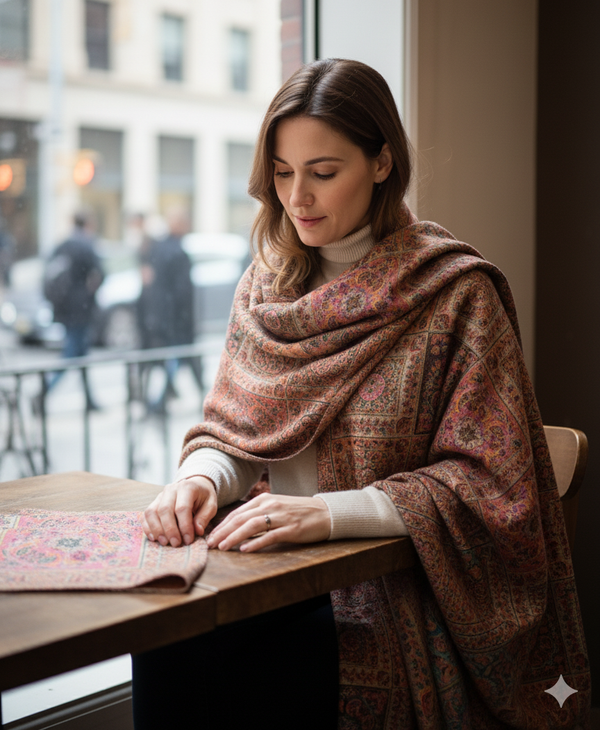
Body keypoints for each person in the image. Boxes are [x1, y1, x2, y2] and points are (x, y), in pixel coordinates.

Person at [134, 60, 590, 729]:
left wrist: (326, 513)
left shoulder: (457, 293)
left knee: (255, 672)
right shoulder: (266, 289)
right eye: (283, 174)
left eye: (323, 172)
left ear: (381, 163)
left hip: (401, 587)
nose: (299, 198)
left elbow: (491, 485)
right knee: (167, 639)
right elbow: (238, 432)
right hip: (273, 568)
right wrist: (202, 476)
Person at [136, 207, 202, 410]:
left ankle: (159, 398)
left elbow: (148, 282)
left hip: (158, 314)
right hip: (175, 317)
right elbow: (183, 292)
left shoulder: (156, 248)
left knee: (168, 358)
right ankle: (159, 402)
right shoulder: (177, 252)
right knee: (178, 355)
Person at [42, 208, 104, 410]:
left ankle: (89, 399)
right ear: (87, 224)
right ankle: (43, 392)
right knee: (71, 353)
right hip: (81, 308)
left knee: (80, 353)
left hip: (64, 307)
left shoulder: (62, 245)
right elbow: (101, 273)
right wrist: (88, 291)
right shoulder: (87, 245)